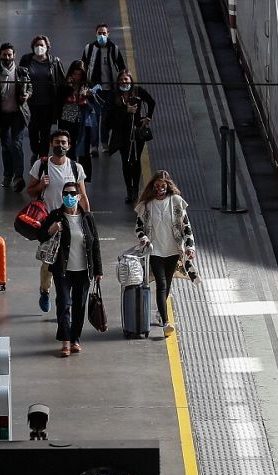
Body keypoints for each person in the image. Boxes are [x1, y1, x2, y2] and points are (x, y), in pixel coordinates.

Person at [27, 130, 91, 312]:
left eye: (63, 142)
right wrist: (41, 185)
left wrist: (87, 220)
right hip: (49, 222)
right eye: (56, 142)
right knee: (48, 262)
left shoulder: (75, 168)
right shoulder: (41, 165)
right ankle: (45, 290)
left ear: (69, 146)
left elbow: (83, 196)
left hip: (72, 221)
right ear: (51, 144)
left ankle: (64, 303)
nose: (60, 145)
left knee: (69, 262)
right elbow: (29, 191)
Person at [42, 181, 103, 357]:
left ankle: (75, 338)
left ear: (78, 196)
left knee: (79, 305)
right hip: (63, 270)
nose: (69, 197)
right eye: (65, 194)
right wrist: (52, 229)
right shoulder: (56, 216)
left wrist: (98, 270)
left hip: (84, 270)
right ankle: (65, 341)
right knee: (64, 303)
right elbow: (41, 235)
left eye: (72, 194)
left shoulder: (87, 218)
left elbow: (95, 244)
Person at [135, 170, 196, 338]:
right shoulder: (147, 205)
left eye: (163, 186)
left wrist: (190, 247)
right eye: (157, 186)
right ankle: (166, 322)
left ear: (168, 186)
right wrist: (144, 238)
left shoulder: (176, 202)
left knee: (167, 284)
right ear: (153, 186)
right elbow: (139, 227)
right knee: (161, 285)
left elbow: (186, 227)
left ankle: (160, 312)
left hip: (173, 250)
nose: (160, 189)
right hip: (155, 251)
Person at [0, 43, 32, 192]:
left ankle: (18, 177)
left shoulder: (22, 72)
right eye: (4, 55)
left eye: (9, 55)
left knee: (16, 144)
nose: (7, 58)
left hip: (17, 114)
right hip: (2, 115)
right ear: (0, 55)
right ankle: (8, 174)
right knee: (5, 145)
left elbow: (30, 87)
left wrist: (27, 95)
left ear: (14, 55)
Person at [106, 70, 155, 203]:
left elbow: (151, 101)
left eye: (126, 80)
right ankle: (129, 189)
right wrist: (125, 110)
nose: (123, 82)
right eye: (121, 80)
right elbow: (109, 114)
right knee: (126, 161)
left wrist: (148, 117)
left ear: (131, 81)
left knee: (136, 159)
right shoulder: (114, 95)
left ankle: (135, 189)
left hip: (137, 132)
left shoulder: (138, 91)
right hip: (122, 133)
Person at [81, 24, 127, 151]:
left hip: (109, 91)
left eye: (104, 33)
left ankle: (104, 143)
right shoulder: (89, 49)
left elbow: (122, 67)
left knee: (106, 119)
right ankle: (94, 145)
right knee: (94, 119)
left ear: (108, 34)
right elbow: (83, 67)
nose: (102, 35)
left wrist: (123, 83)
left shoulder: (114, 49)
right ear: (96, 34)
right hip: (94, 91)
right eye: (99, 33)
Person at [22, 35, 65, 158]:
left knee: (45, 133)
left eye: (42, 45)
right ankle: (35, 151)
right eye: (37, 45)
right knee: (33, 132)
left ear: (47, 47)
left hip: (48, 105)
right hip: (31, 104)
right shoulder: (26, 60)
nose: (39, 48)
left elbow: (61, 82)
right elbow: (21, 78)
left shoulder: (54, 61)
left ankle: (43, 157)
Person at [58, 61, 95, 167]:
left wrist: (87, 95)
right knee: (69, 147)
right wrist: (69, 87)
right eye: (74, 74)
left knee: (83, 147)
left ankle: (83, 176)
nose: (77, 77)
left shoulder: (87, 86)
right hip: (67, 119)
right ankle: (69, 170)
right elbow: (59, 99)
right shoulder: (65, 85)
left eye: (79, 74)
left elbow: (93, 102)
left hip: (82, 120)